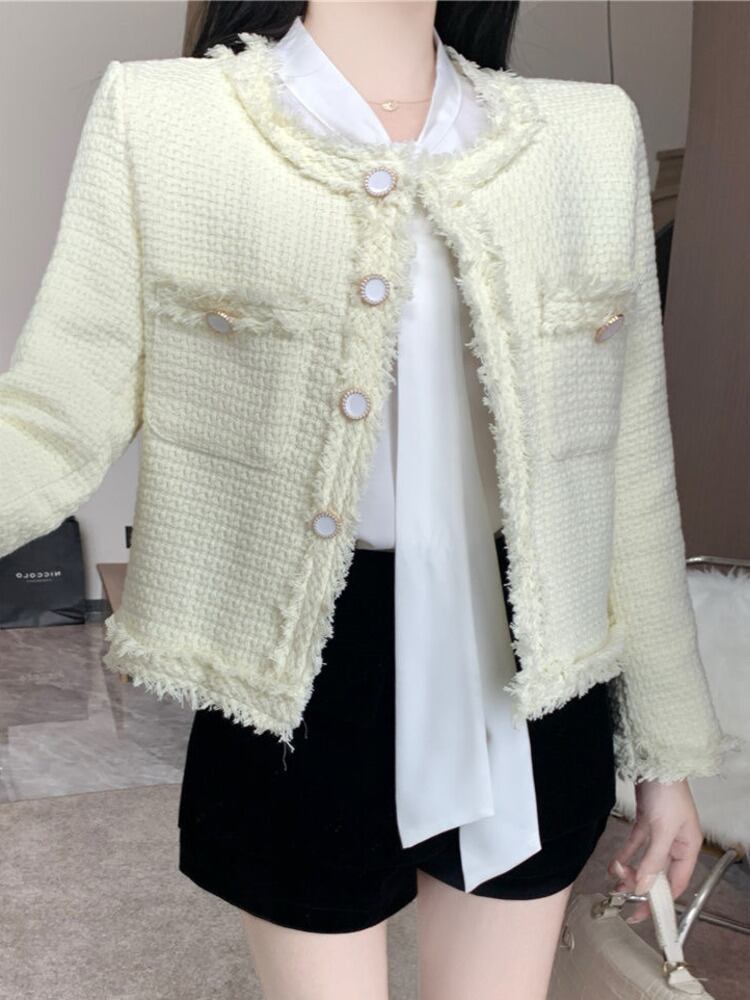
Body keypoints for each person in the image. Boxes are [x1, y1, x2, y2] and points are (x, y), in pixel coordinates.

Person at [0, 2, 738, 998]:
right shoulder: (167, 121)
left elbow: (629, 467)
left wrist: (665, 758)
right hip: (295, 663)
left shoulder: (586, 135)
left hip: (529, 663)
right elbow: (52, 412)